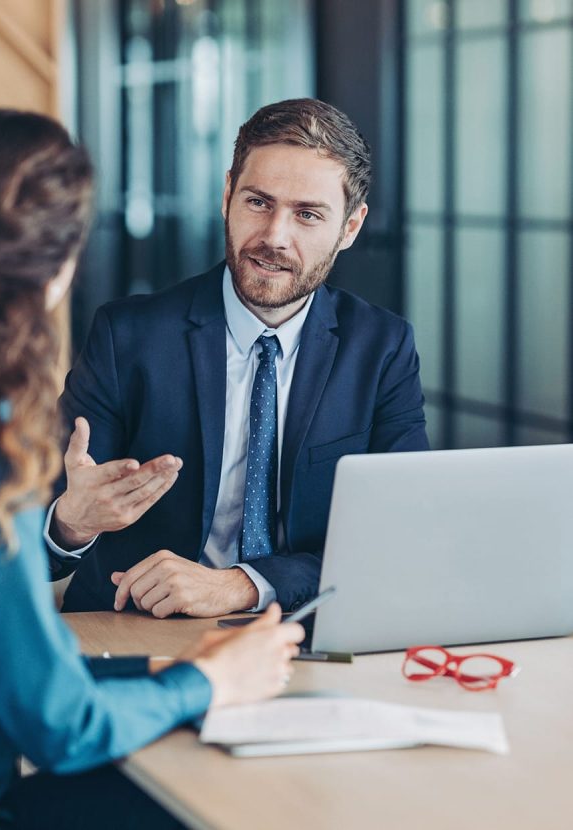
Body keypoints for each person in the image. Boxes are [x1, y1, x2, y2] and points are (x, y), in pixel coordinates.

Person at [0, 109, 304, 830]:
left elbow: (9, 664)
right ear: (54, 269)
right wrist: (206, 681)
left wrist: (167, 674)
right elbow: (57, 725)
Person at [47, 98, 429, 616]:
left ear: (350, 228)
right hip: (137, 630)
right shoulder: (127, 336)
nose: (274, 236)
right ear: (228, 193)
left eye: (308, 215)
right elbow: (25, 535)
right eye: (258, 202)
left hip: (307, 629)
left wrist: (245, 584)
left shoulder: (382, 349)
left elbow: (400, 540)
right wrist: (70, 523)